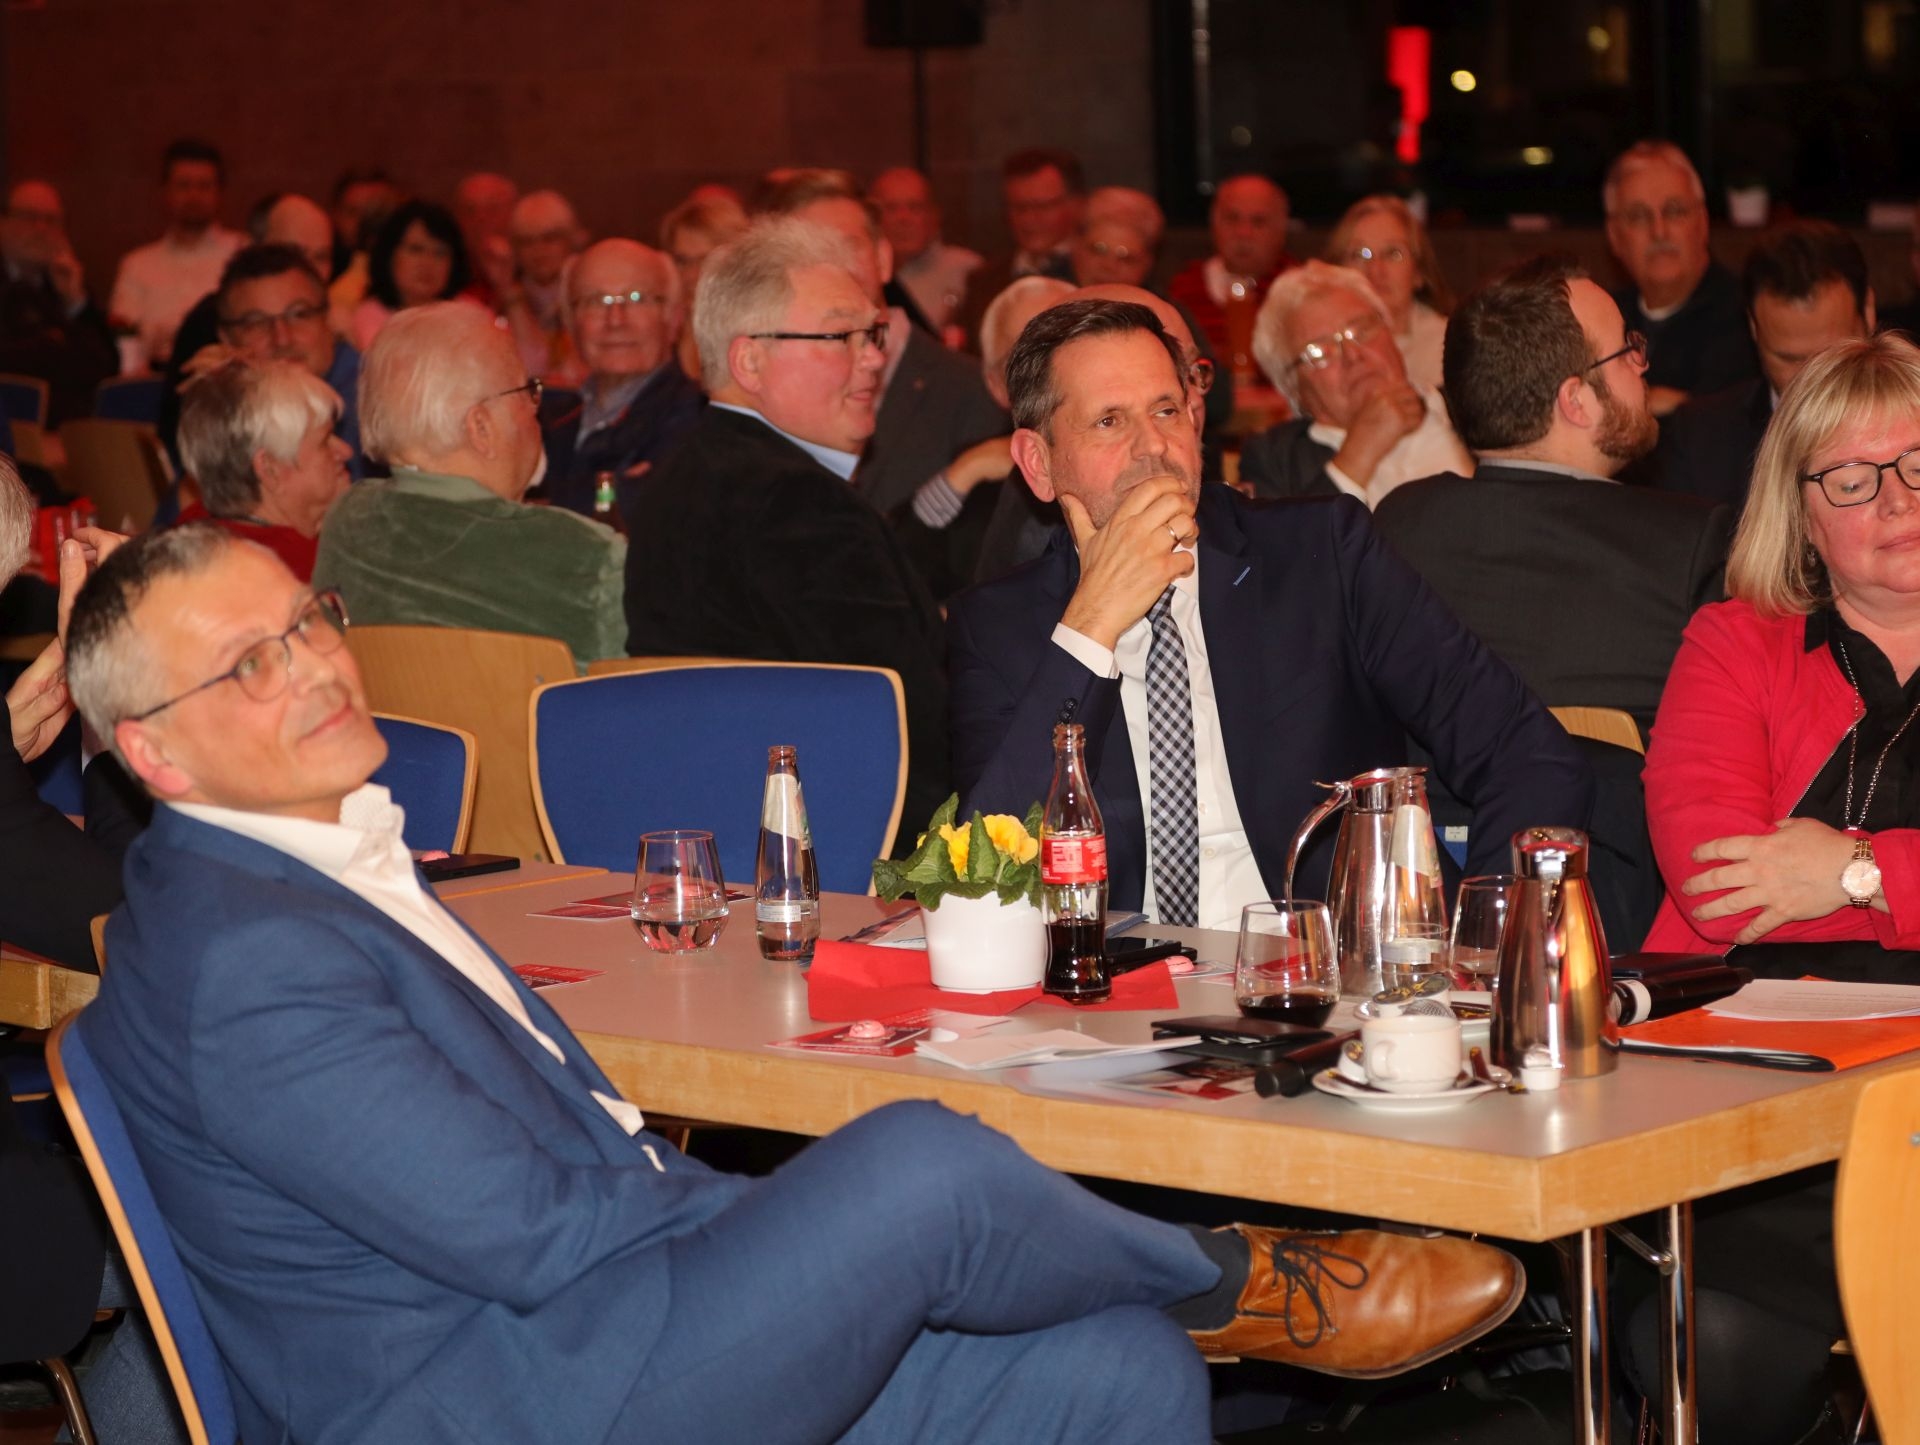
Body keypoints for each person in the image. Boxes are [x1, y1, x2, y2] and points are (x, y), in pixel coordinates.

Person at [60, 521, 1525, 1445]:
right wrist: (787, 1227)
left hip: (590, 1327)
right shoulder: (243, 957)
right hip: (506, 1389)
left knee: (1114, 1367)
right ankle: (1253, 1281)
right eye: (248, 666)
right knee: (914, 1170)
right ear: (154, 754)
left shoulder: (291, 874)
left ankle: (1195, 1302)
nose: (315, 666)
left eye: (308, 621)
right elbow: (534, 1233)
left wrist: (769, 1229)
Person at [948, 298, 1592, 925]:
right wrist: (1091, 625)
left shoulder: (1321, 555)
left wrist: (1487, 935)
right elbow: (982, 883)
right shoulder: (998, 627)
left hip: (1322, 967)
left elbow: (1525, 752)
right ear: (1039, 464)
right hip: (1117, 983)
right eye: (1109, 422)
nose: (1154, 447)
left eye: (1166, 410)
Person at [1629, 336, 1920, 1445]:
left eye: (1919, 464)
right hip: (1754, 1097)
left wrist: (1845, 869)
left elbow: (1781, 879)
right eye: (1852, 478)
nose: (1896, 499)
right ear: (1799, 513)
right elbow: (1720, 887)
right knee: (1719, 1340)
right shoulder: (1735, 641)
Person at [624, 217, 953, 828]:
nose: (874, 358)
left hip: (709, 819)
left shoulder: (680, 478)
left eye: (873, 333)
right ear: (750, 361)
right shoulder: (799, 503)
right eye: (842, 336)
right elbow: (909, 725)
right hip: (831, 846)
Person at [1373, 255, 1732, 736]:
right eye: (1626, 349)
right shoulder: (1689, 544)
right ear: (1576, 401)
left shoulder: (1403, 524)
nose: (1642, 363)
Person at [313, 302, 624, 668]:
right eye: (526, 390)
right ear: (480, 427)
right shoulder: (588, 555)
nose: (536, 408)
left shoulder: (348, 522)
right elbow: (634, 691)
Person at [758, 171, 1007, 516]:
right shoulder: (768, 390)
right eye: (806, 253)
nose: (830, 267)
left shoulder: (967, 390)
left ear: (883, 259)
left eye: (846, 247)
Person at [1653, 220, 1875, 506]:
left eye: (1832, 354)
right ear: (1753, 328)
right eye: (1789, 358)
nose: (1812, 379)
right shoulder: (1700, 440)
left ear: (1868, 312)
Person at [1242, 260, 1471, 507]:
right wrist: (1359, 453)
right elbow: (1290, 534)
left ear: (1392, 334)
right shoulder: (1276, 461)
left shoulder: (1468, 408)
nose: (1352, 355)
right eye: (1320, 352)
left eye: (1361, 332)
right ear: (1294, 389)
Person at [160, 241, 364, 478]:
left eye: (298, 314)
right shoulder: (238, 396)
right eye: (256, 322)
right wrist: (222, 408)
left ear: (328, 319)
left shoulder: (366, 398)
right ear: (226, 338)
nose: (282, 338)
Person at [536, 238, 704, 521]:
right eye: (595, 300)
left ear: (675, 317)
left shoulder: (698, 422)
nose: (615, 320)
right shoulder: (543, 421)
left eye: (637, 298)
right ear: (570, 322)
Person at [1603, 141, 1758, 416]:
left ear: (1703, 222)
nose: (1659, 231)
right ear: (1614, 236)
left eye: (1674, 211)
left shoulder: (1746, 315)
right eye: (1639, 216)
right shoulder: (1604, 319)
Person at [175, 360, 351, 580]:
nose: (346, 451)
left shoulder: (187, 533)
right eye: (325, 441)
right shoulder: (306, 574)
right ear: (269, 469)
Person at [107, 138, 244, 367]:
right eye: (184, 185)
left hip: (227, 375)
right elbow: (125, 335)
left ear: (220, 192)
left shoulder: (241, 252)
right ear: (166, 191)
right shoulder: (137, 264)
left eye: (204, 186)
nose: (194, 196)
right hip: (156, 376)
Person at [0, 180, 118, 425]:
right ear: (4, 223)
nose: (41, 229)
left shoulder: (63, 282)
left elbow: (105, 368)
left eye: (51, 221)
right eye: (29, 217)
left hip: (65, 426)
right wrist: (52, 344)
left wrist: (75, 302)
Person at [953, 148, 1085, 347]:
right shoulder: (983, 281)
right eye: (1019, 208)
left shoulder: (1094, 272)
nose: (1030, 219)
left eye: (1042, 206)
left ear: (1076, 205)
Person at [1323, 195, 1451, 391]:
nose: (1375, 270)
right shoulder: (1321, 349)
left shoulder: (1448, 349)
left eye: (1393, 253)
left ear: (1419, 272)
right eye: (1360, 254)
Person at [1167, 174, 1296, 358]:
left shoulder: (1298, 290)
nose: (1243, 233)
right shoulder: (1182, 288)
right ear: (1214, 223)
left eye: (1258, 222)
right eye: (1232, 219)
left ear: (1281, 229)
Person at [868, 165, 982, 339]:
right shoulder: (860, 273)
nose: (903, 219)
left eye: (915, 207)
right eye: (891, 208)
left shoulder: (970, 271)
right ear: (871, 219)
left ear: (935, 215)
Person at [350, 200, 477, 352]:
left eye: (440, 253)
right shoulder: (368, 317)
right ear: (389, 255)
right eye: (416, 250)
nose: (427, 263)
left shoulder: (472, 315)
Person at [659, 189, 748, 382]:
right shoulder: (660, 333)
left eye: (705, 261)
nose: (691, 275)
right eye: (682, 261)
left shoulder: (754, 335)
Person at [500, 189, 586, 383]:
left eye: (549, 238)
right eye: (527, 241)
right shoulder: (501, 299)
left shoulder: (589, 292)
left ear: (573, 239)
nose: (538, 250)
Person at [1070, 186, 1164, 291]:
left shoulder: (1161, 302)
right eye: (1099, 250)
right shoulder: (1054, 292)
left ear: (1148, 264)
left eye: (1126, 259)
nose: (1109, 267)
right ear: (1076, 246)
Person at [452, 171, 518, 309]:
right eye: (470, 210)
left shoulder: (533, 271)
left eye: (492, 209)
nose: (481, 219)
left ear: (513, 214)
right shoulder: (446, 276)